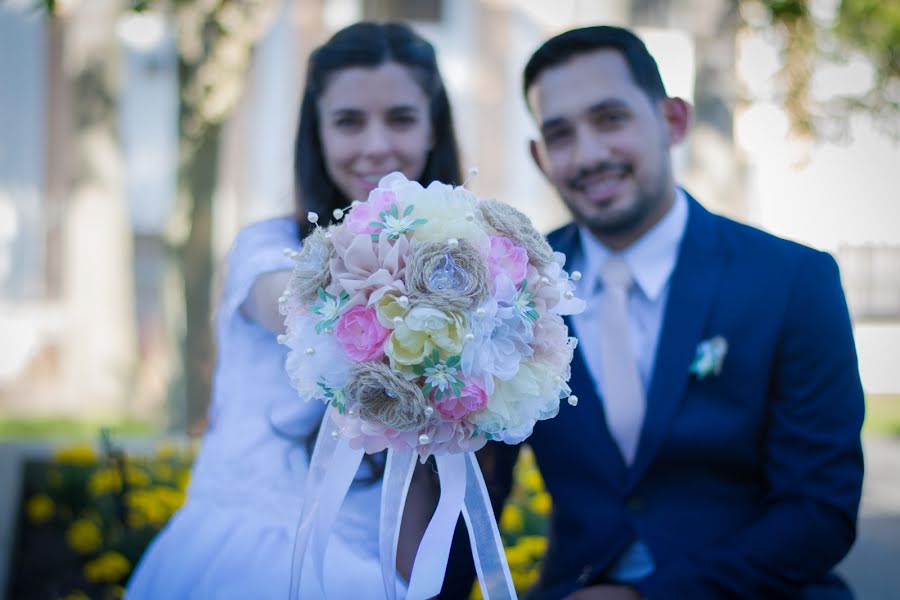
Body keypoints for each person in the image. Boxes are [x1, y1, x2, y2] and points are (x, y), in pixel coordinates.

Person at [455, 25, 865, 600]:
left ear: (672, 120)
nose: (589, 154)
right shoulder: (507, 289)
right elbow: (481, 488)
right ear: (539, 157)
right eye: (561, 134)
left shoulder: (793, 282)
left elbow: (819, 510)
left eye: (611, 119)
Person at [127, 21, 461, 599]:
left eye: (400, 119)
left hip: (366, 569)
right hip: (242, 559)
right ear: (318, 132)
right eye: (349, 121)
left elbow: (422, 478)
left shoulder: (468, 268)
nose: (376, 144)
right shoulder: (269, 248)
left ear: (433, 129)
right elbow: (288, 303)